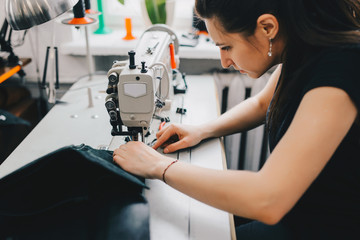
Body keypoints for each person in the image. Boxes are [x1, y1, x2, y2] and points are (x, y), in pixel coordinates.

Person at [113, 0, 360, 239]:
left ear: (267, 28)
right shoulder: (304, 46)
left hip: (322, 229)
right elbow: (262, 103)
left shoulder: (342, 69)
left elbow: (268, 199)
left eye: (226, 46)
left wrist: (159, 166)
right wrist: (202, 130)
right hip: (299, 214)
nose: (224, 61)